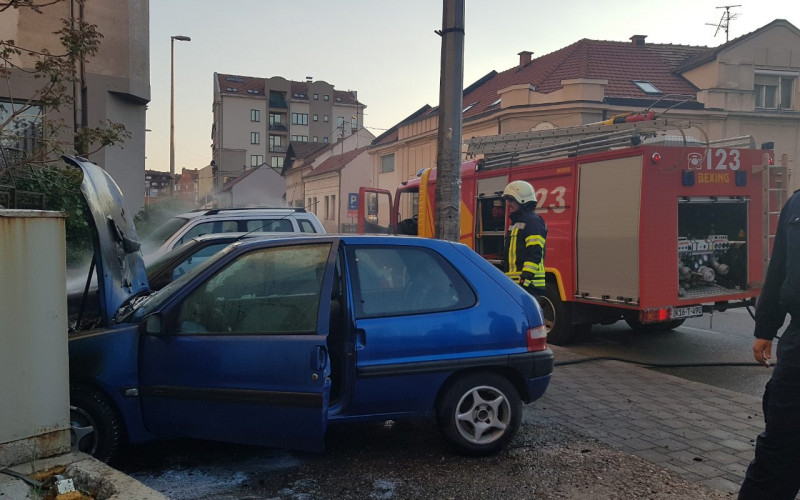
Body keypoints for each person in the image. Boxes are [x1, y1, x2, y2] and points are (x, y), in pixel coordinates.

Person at [739, 189, 800, 499]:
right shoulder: (797, 204)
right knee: (779, 444)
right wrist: (765, 327)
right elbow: (779, 268)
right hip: (798, 343)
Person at [501, 180, 547, 295]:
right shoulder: (516, 223)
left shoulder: (533, 221)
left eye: (511, 200)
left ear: (522, 200)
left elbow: (534, 253)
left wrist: (525, 280)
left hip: (529, 285)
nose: (508, 204)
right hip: (516, 284)